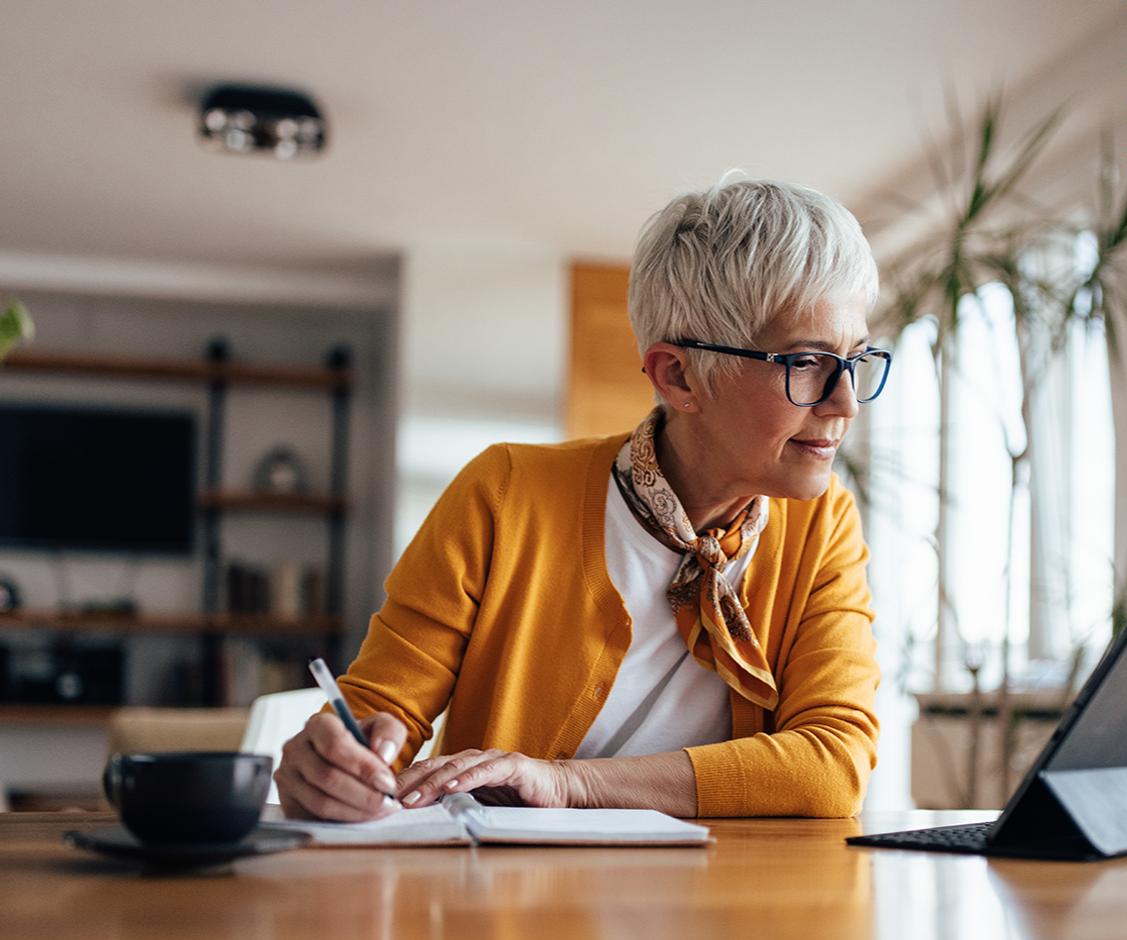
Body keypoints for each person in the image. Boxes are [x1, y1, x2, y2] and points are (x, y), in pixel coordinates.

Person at [275, 177, 891, 821]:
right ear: (678, 375)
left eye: (856, 359)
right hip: (513, 911)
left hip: (725, 911)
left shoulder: (823, 523)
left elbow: (832, 764)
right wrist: (336, 766)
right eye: (805, 363)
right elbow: (381, 720)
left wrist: (571, 783)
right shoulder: (505, 494)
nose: (845, 402)